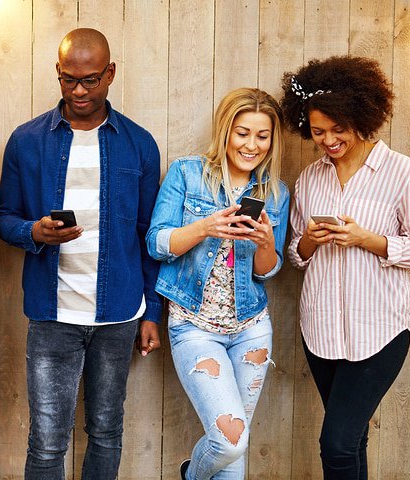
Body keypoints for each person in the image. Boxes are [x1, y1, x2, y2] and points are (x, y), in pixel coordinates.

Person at [0, 28, 162, 479]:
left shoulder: (139, 143)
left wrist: (153, 314)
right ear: (58, 73)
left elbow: (151, 236)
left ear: (110, 73)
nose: (79, 90)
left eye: (90, 79)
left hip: (120, 314)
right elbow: (4, 217)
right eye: (69, 79)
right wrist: (35, 232)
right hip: (53, 316)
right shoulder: (28, 140)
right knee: (48, 443)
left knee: (106, 431)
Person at [281, 55, 410, 479]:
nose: (328, 140)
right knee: (352, 441)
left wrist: (369, 240)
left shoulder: (403, 173)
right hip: (321, 331)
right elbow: (295, 253)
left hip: (379, 332)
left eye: (338, 129)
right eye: (317, 131)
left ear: (362, 117)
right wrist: (310, 240)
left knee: (336, 443)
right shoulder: (310, 178)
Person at [146, 88, 290, 479]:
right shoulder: (187, 173)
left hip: (252, 328)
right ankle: (193, 474)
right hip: (194, 325)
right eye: (242, 132)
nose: (252, 144)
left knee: (236, 446)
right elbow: (157, 243)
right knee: (230, 440)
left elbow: (266, 271)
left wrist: (264, 244)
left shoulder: (275, 192)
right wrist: (204, 227)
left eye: (263, 136)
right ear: (226, 130)